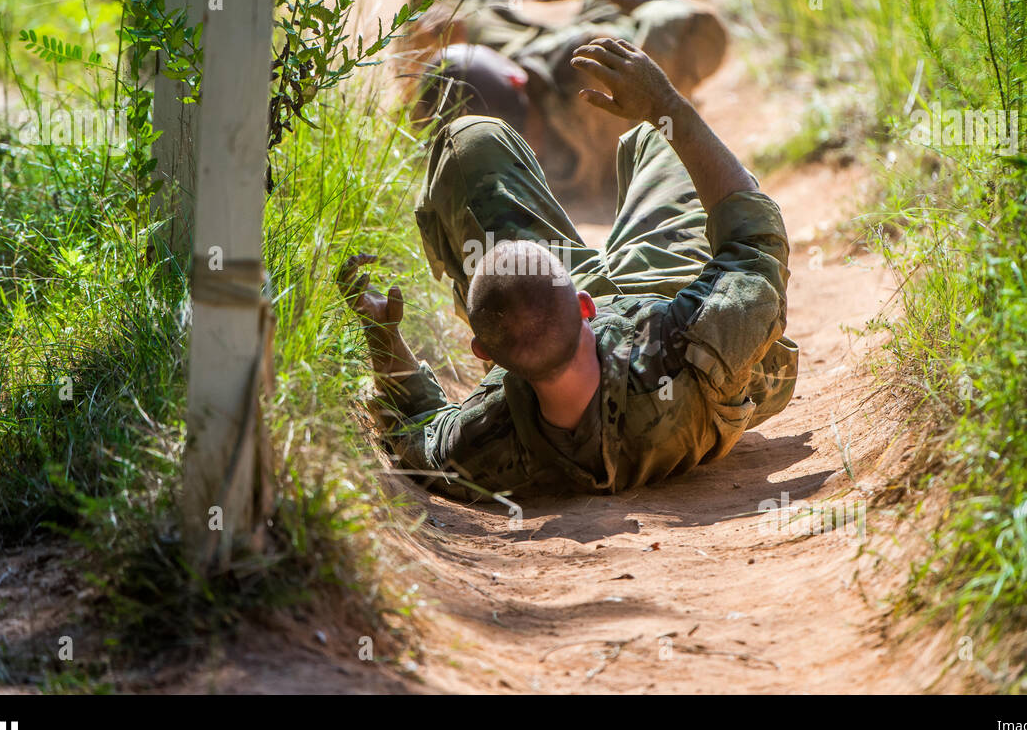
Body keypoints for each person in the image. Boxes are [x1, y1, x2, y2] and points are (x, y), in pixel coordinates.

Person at [340, 37, 798, 502]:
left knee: (468, 142)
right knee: (659, 138)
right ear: (584, 304)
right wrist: (667, 104)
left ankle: (524, 329)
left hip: (565, 347)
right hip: (674, 308)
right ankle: (653, 132)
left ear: (486, 352)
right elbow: (755, 240)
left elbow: (421, 431)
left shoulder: (490, 440)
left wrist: (383, 336)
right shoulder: (695, 350)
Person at [404, 0, 728, 197]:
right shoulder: (599, 81)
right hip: (577, 61)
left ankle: (436, 67)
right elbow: (703, 30)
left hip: (533, 87)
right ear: (516, 78)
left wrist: (424, 63)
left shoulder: (483, 168)